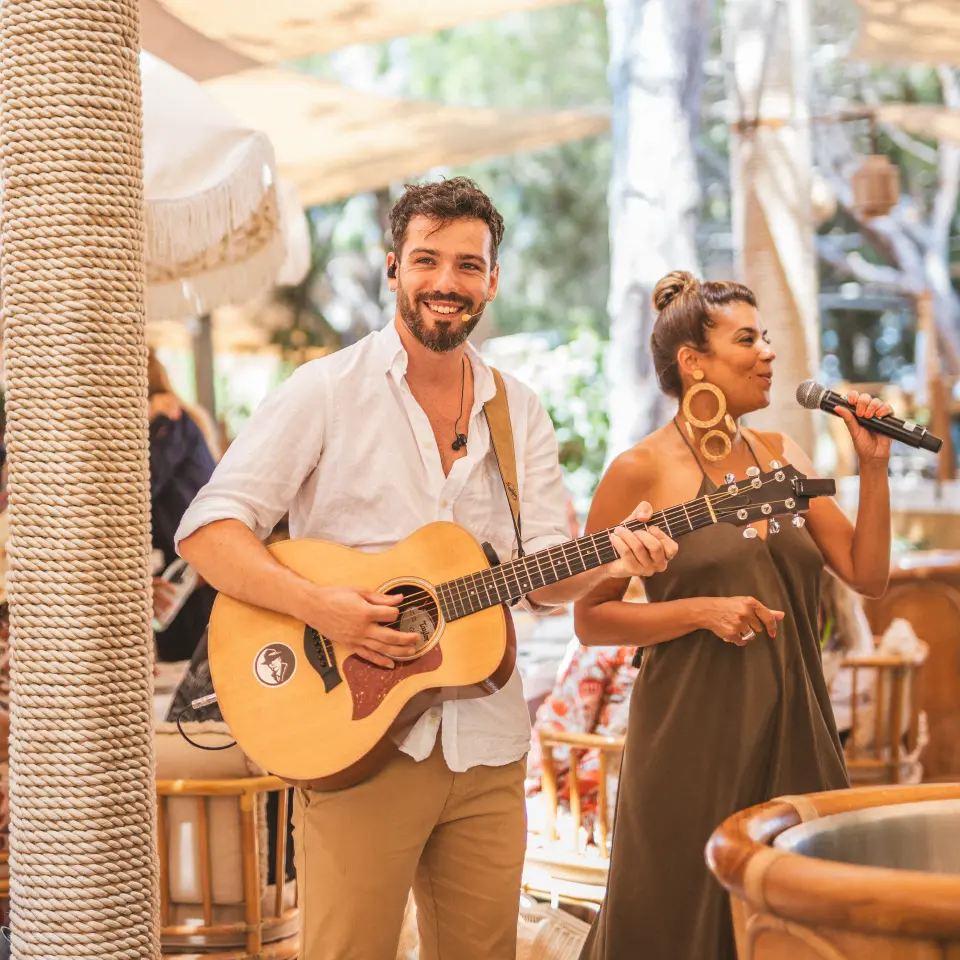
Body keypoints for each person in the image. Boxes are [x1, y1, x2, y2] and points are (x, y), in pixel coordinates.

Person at [175, 177, 679, 960]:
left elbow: (544, 578)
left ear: (492, 280)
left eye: (468, 265)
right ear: (391, 269)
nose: (448, 282)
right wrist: (323, 608)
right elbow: (207, 531)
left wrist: (615, 555)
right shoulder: (324, 392)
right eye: (427, 260)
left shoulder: (521, 410)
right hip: (354, 737)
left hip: (487, 744)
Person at [575, 271, 893, 960]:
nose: (769, 352)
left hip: (798, 721)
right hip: (690, 733)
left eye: (767, 336)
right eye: (747, 338)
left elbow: (868, 575)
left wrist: (873, 468)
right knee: (679, 919)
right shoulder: (639, 470)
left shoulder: (783, 457)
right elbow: (591, 617)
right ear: (694, 363)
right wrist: (698, 611)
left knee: (801, 917)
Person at [148, 350, 218, 662]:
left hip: (190, 571)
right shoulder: (177, 418)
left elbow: (138, 485)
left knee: (190, 663)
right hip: (187, 565)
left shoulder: (168, 420)